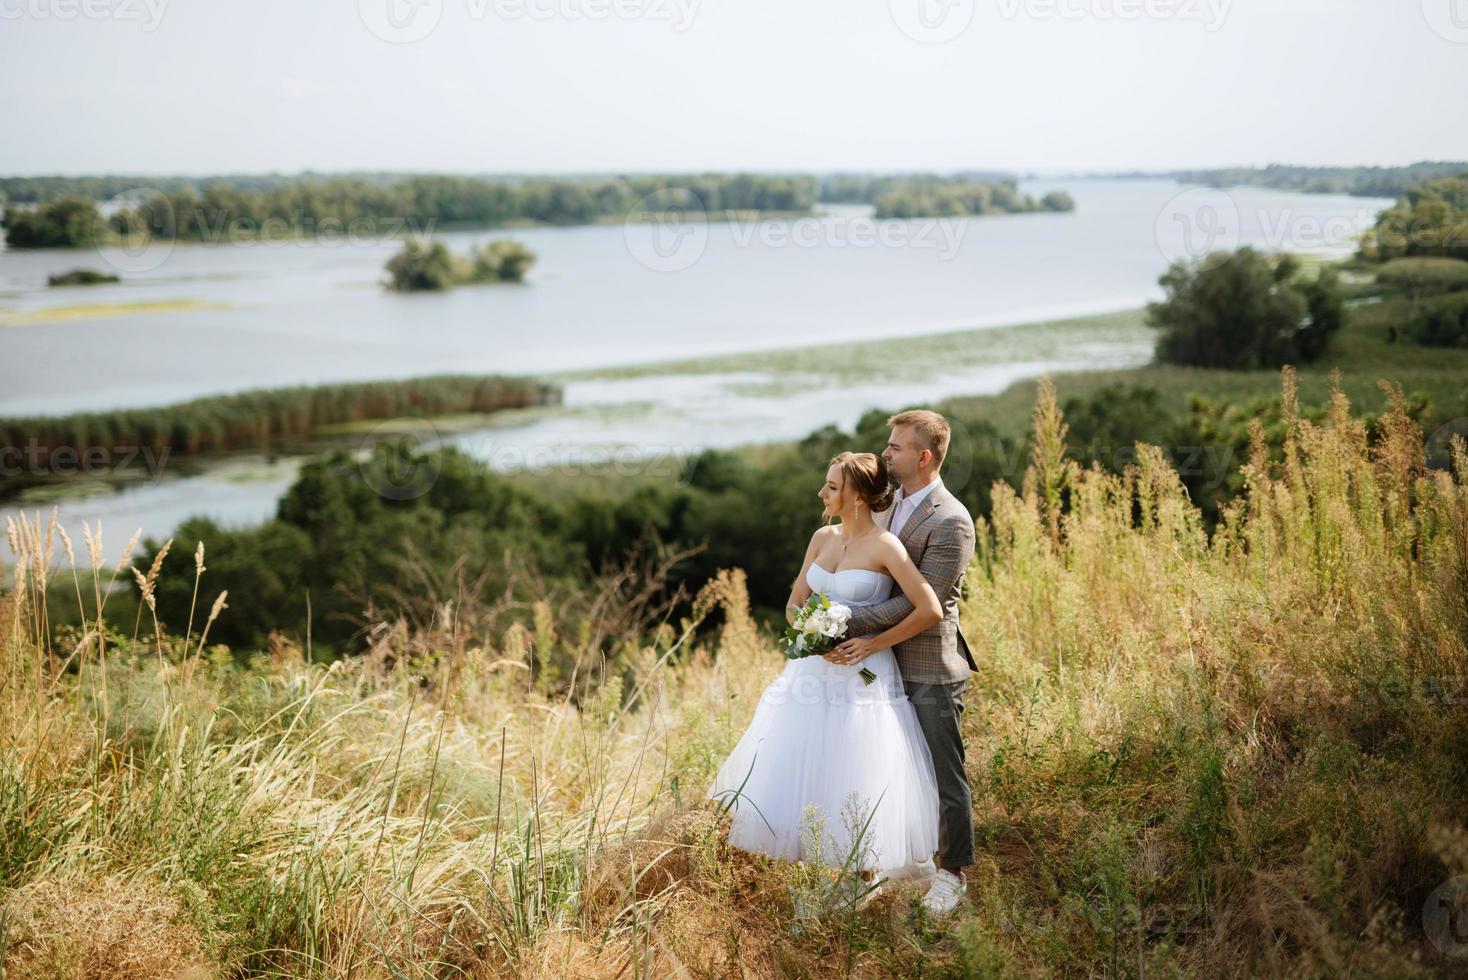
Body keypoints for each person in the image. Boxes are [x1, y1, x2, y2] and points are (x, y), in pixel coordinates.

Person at [707, 450, 944, 894]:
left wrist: (872, 642)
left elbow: (928, 608)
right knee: (808, 759)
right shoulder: (821, 537)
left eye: (832, 486)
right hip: (812, 671)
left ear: (857, 496)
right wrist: (812, 632)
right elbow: (794, 603)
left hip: (863, 670)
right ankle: (824, 864)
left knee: (856, 761)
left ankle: (864, 870)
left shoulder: (885, 546)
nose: (822, 492)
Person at [827, 409, 977, 915]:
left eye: (894, 447)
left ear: (924, 455)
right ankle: (872, 868)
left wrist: (845, 620)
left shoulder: (951, 519)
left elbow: (924, 600)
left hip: (929, 664)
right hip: (879, 667)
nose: (886, 453)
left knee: (942, 772)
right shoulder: (886, 507)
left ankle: (953, 873)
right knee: (877, 765)